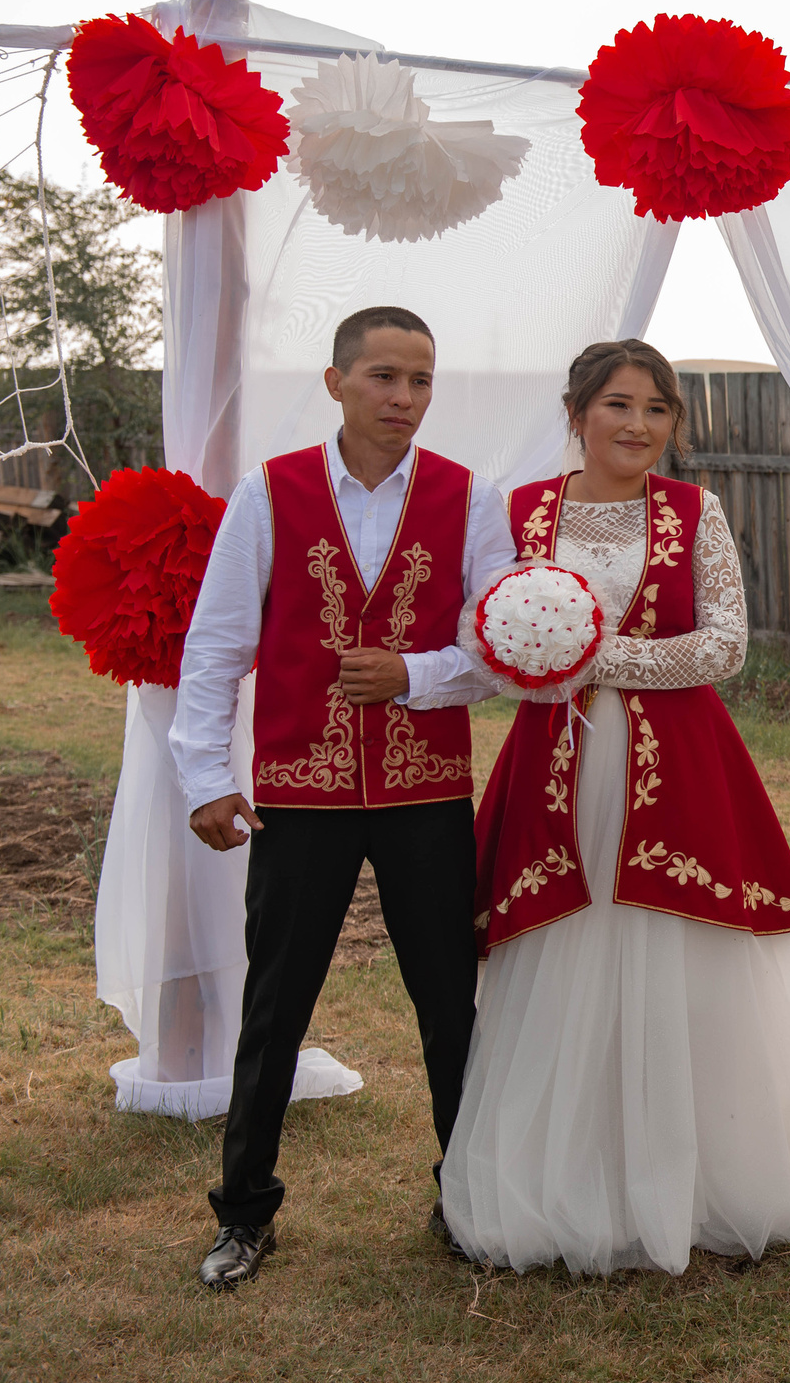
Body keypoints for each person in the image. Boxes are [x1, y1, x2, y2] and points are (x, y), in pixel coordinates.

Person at [441, 339, 790, 1273]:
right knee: (563, 952)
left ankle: (706, 1175)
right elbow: (479, 632)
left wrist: (592, 657)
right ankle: (573, 1176)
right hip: (555, 764)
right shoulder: (518, 512)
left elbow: (725, 643)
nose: (639, 425)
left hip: (673, 767)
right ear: (576, 414)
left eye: (658, 410)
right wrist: (531, 663)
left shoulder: (697, 511)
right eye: (618, 404)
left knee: (684, 953)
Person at [172, 306, 516, 1290]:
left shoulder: (470, 494)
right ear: (335, 382)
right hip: (301, 791)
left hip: (425, 789)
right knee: (275, 1005)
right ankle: (244, 1211)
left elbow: (495, 648)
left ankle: (467, 1195)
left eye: (419, 379)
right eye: (382, 377)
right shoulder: (268, 489)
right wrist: (205, 776)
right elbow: (217, 646)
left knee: (452, 1003)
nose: (403, 397)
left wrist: (409, 673)